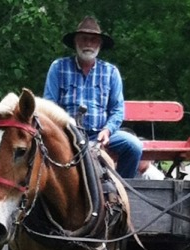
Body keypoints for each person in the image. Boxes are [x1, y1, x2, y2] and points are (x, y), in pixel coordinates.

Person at [43, 16, 143, 178]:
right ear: (75, 42)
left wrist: (108, 130)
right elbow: (49, 106)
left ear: (100, 44)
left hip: (100, 134)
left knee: (134, 146)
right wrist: (64, 125)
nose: (88, 44)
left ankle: (123, 191)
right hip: (67, 134)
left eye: (93, 40)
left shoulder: (110, 72)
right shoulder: (58, 67)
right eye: (83, 39)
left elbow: (117, 109)